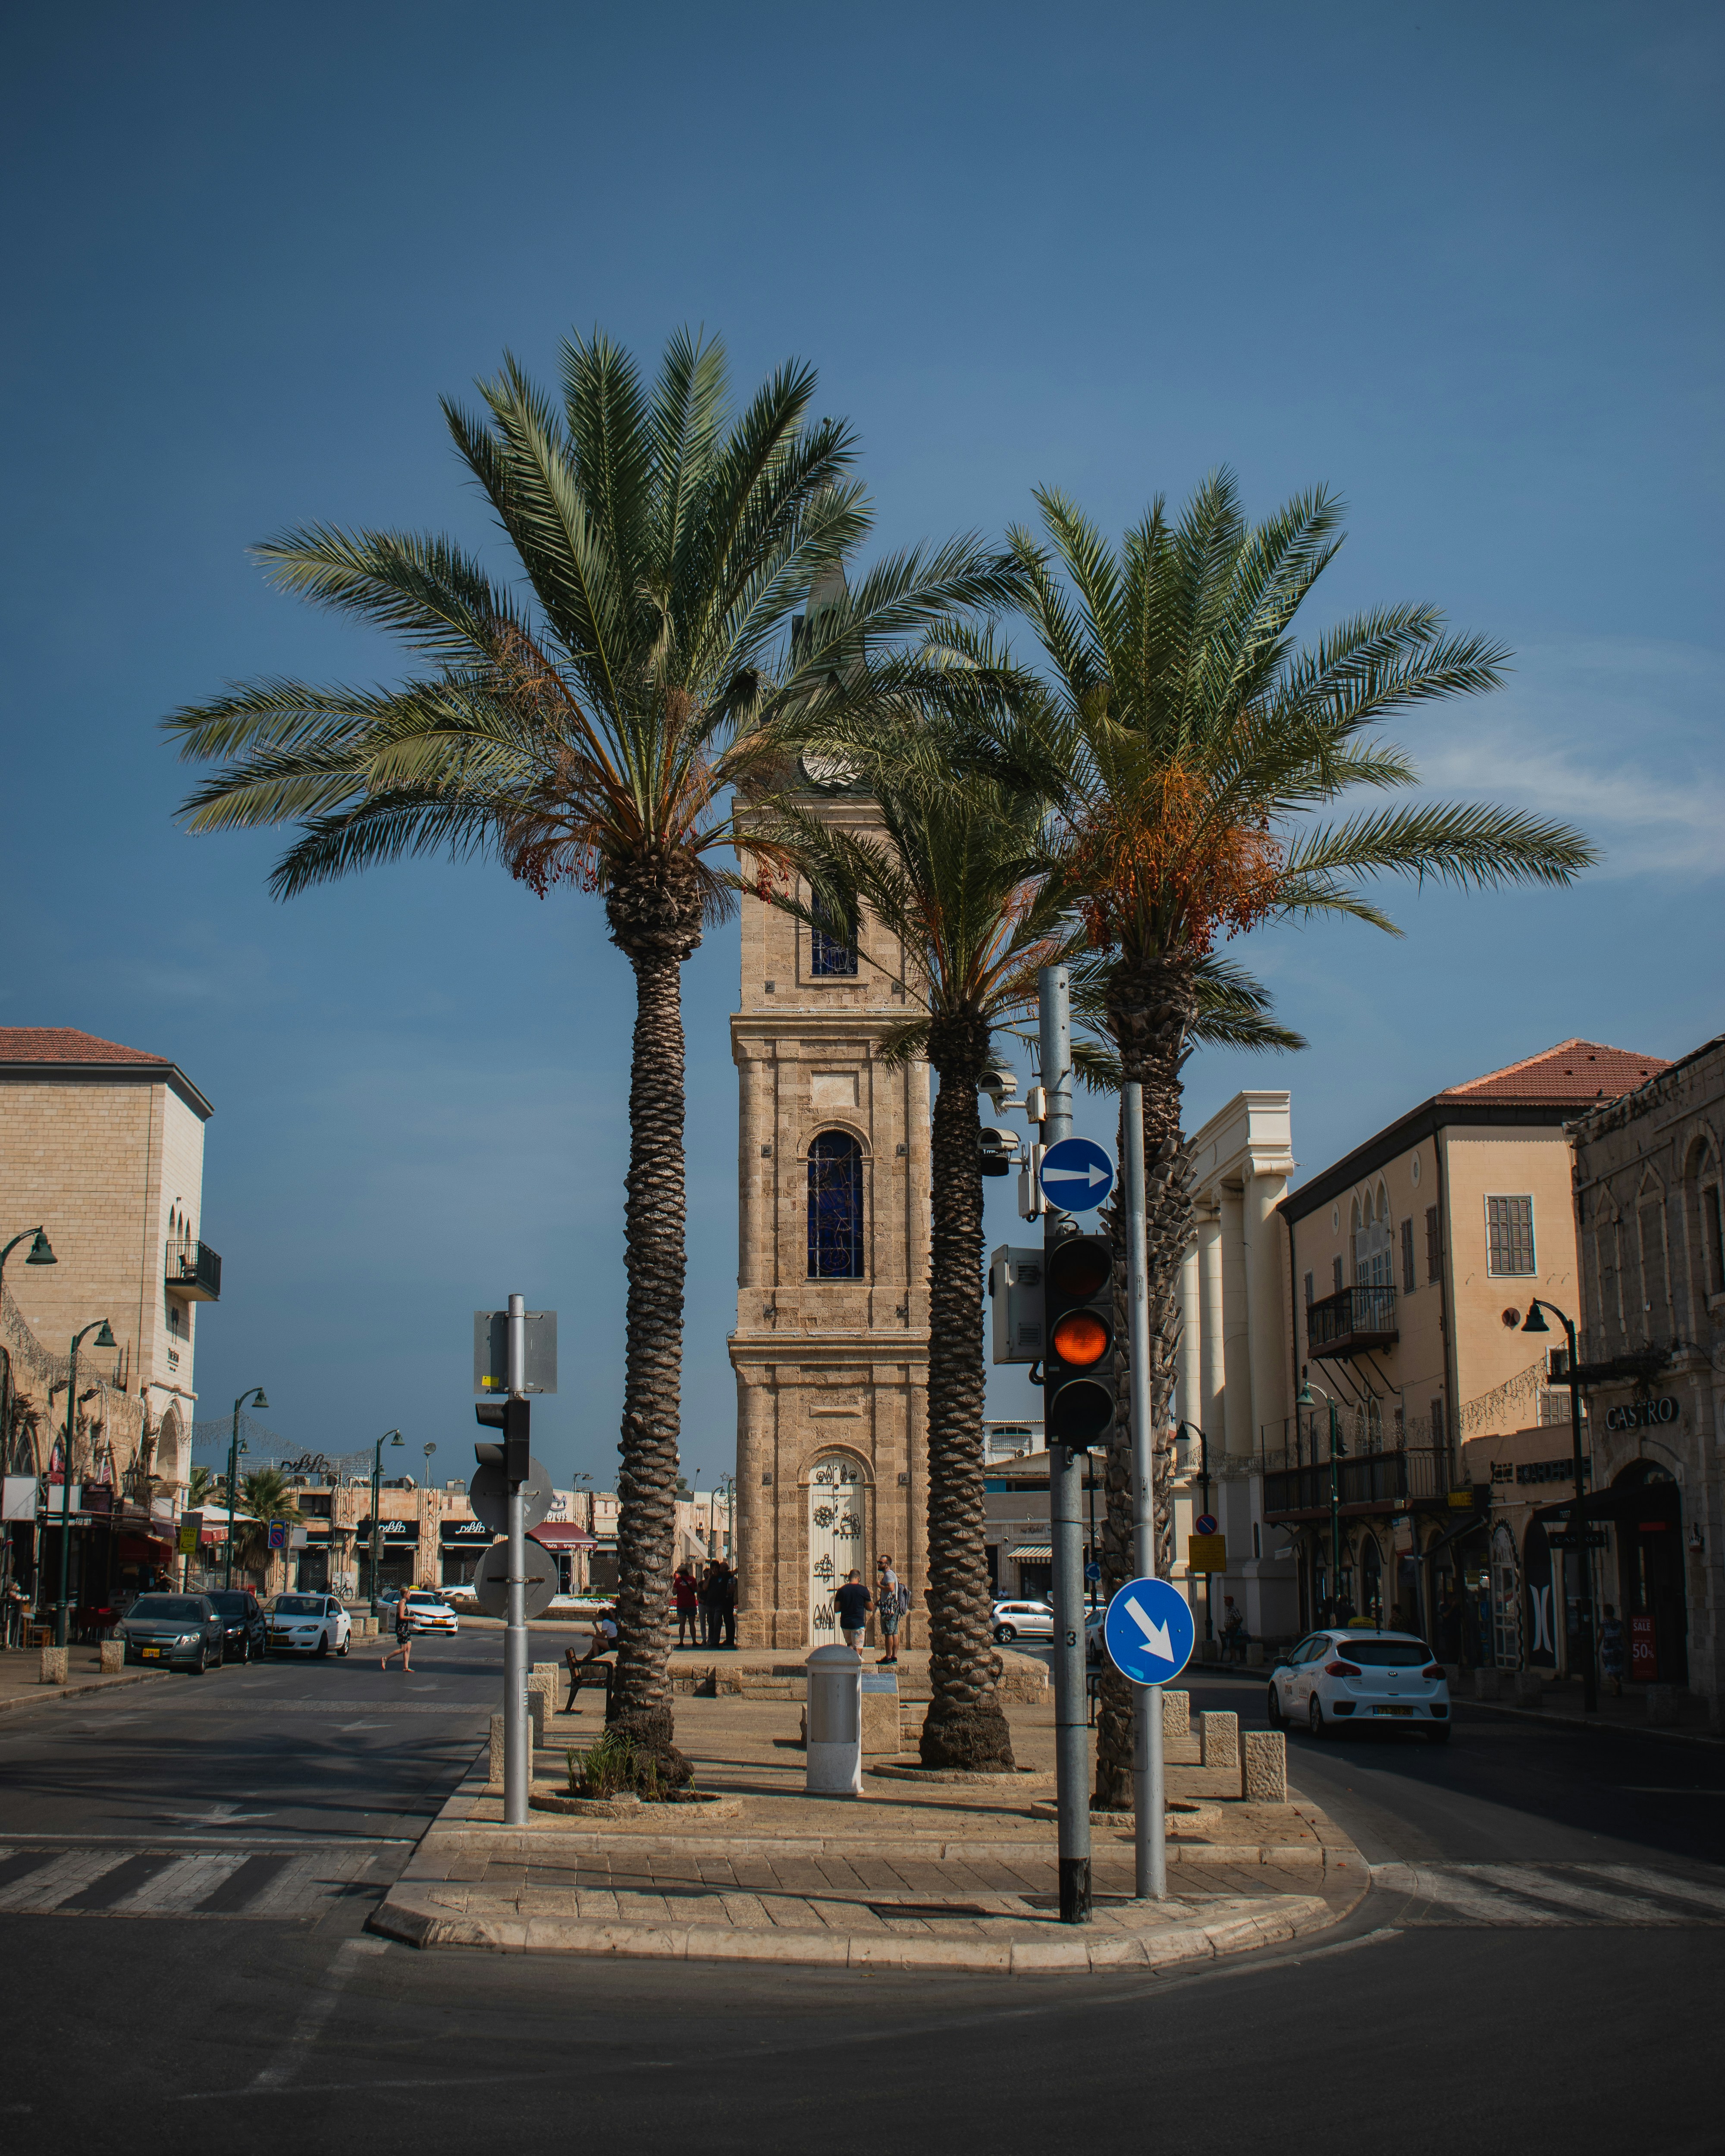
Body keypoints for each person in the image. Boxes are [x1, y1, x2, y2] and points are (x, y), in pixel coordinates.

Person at [563, 1608, 619, 1711]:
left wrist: (589, 1633)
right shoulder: (609, 1622)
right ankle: (590, 1657)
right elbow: (600, 1635)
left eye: (598, 1616)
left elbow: (601, 1636)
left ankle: (595, 1660)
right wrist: (595, 1626)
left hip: (613, 1643)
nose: (598, 1618)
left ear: (601, 1616)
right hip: (613, 1642)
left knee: (595, 1641)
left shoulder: (606, 1622)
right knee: (596, 1641)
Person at [875, 1554, 905, 1665]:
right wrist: (880, 1601)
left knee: (889, 1633)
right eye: (879, 1562)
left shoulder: (888, 1575)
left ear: (887, 1565)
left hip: (889, 1609)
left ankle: (888, 1657)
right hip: (894, 1607)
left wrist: (879, 1585)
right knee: (894, 1632)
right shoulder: (892, 1574)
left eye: (881, 1563)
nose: (879, 1564)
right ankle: (894, 1657)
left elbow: (891, 1588)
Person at [832, 1568, 872, 1649]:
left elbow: (836, 1609)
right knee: (858, 1649)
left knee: (850, 1646)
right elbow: (870, 1608)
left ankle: (850, 1657)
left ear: (849, 1578)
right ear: (859, 1578)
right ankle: (857, 1657)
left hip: (845, 1624)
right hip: (858, 1624)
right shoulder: (864, 1590)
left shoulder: (841, 1590)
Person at [380, 1592, 414, 1672]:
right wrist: (411, 1618)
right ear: (405, 1595)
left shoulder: (404, 1603)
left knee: (409, 1646)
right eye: (409, 1593)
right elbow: (401, 1617)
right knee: (403, 1649)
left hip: (405, 1628)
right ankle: (385, 1659)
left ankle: (406, 1667)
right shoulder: (401, 1603)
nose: (410, 1594)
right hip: (401, 1629)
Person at [1600, 1602, 1626, 1697]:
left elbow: (1600, 1637)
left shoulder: (1604, 1624)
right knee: (1617, 1670)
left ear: (1605, 1613)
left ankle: (1616, 1683)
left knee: (1609, 1669)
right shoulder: (1619, 1623)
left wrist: (1597, 1648)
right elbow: (1624, 1636)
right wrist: (1630, 1648)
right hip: (1619, 1649)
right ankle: (1616, 1692)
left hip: (1608, 1649)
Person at [673, 1564, 699, 1648]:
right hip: (691, 1604)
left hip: (682, 1604)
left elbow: (674, 1592)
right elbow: (696, 1590)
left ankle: (681, 1642)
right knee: (692, 1624)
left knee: (682, 1624)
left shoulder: (678, 1581)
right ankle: (694, 1641)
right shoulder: (693, 1579)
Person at [714, 1561, 737, 1649]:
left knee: (729, 1620)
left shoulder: (730, 1578)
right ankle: (729, 1639)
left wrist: (722, 1592)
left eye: (720, 1567)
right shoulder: (723, 1577)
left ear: (724, 1568)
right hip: (724, 1600)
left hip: (729, 1600)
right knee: (727, 1620)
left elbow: (732, 1590)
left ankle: (730, 1640)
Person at [1220, 1595, 1246, 1664]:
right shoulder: (1230, 1610)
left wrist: (1231, 1624)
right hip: (1229, 1630)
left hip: (1232, 1630)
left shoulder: (1234, 1609)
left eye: (1226, 1601)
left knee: (1231, 1645)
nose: (1225, 1602)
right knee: (1229, 1645)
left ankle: (1234, 1660)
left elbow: (1239, 1619)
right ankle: (1233, 1660)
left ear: (1230, 1602)